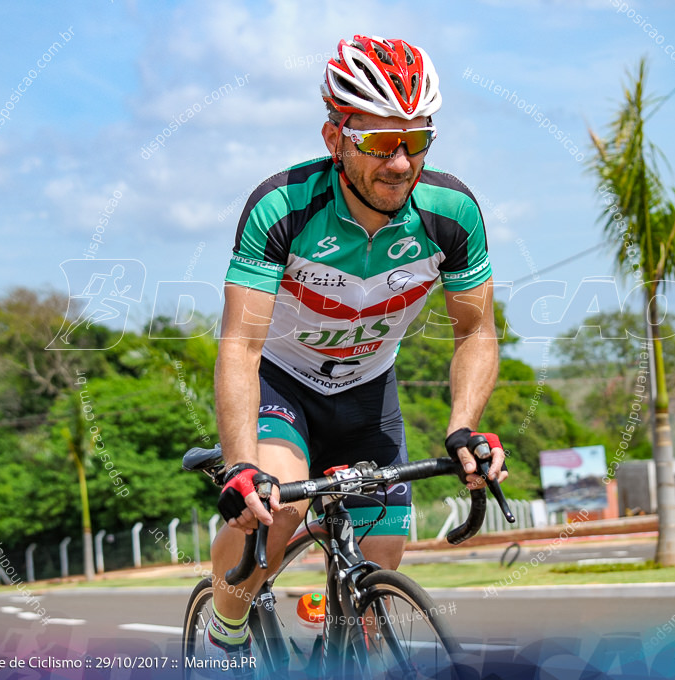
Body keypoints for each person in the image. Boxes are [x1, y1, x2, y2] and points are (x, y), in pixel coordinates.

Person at [204, 34, 508, 670]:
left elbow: (476, 332)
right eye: (377, 142)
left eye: (416, 141)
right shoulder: (283, 207)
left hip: (369, 391)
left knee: (385, 550)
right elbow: (240, 343)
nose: (400, 163)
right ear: (334, 137)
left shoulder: (450, 211)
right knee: (275, 506)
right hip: (282, 384)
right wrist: (239, 464)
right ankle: (226, 626)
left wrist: (462, 427)